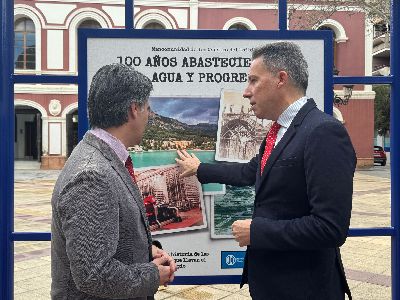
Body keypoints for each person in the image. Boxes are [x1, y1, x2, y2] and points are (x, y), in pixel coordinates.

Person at [176, 41, 356, 300]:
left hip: (302, 289)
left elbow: (330, 227)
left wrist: (257, 232)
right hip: (271, 285)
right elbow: (250, 173)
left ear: (281, 79)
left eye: (253, 81)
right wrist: (200, 168)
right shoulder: (279, 131)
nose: (247, 92)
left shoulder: (323, 132)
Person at [51, 63, 176, 300]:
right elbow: (93, 274)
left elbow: (103, 240)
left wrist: (144, 252)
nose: (150, 115)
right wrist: (152, 275)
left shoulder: (97, 157)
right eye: (148, 108)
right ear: (133, 110)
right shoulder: (92, 175)